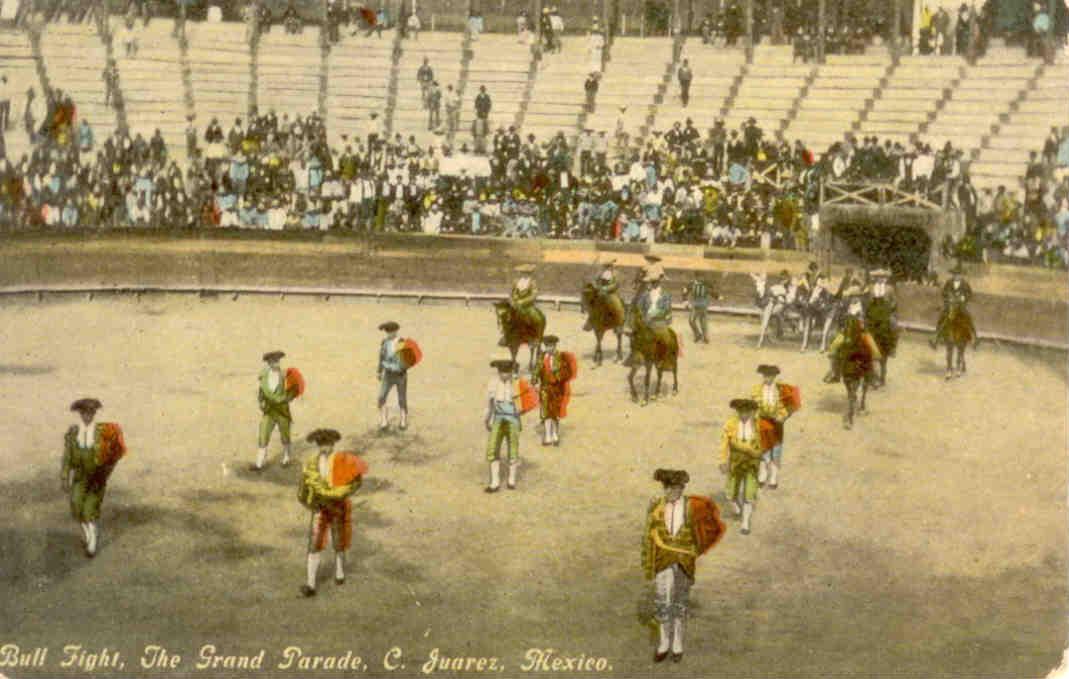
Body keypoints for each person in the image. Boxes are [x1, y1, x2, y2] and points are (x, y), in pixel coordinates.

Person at [641, 468, 725, 663]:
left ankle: (677, 643)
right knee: (663, 602)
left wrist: (697, 548)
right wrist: (648, 563)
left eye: (677, 488)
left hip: (685, 561)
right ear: (665, 488)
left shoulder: (692, 506)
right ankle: (663, 643)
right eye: (669, 488)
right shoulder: (655, 506)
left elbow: (713, 528)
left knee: (680, 602)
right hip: (663, 560)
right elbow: (647, 535)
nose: (673, 492)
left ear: (682, 487)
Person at [297, 428, 367, 597]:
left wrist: (341, 493)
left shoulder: (342, 461)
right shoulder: (311, 463)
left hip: (338, 505)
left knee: (339, 540)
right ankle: (311, 584)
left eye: (327, 445)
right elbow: (304, 487)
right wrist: (310, 503)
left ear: (333, 445)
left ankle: (340, 573)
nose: (324, 448)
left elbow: (356, 481)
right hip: (320, 507)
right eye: (321, 445)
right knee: (314, 543)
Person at [62, 398, 127, 558]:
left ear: (94, 414)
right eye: (84, 413)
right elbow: (67, 457)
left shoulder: (102, 432)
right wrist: (65, 476)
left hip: (96, 477)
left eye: (90, 413)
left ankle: (92, 542)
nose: (87, 416)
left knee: (89, 509)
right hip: (79, 476)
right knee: (77, 507)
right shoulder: (73, 433)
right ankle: (89, 533)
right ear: (80, 414)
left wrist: (106, 471)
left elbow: (115, 452)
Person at [484, 359, 530, 492]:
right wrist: (486, 420)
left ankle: (511, 480)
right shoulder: (493, 384)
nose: (504, 375)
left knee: (513, 448)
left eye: (506, 372)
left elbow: (526, 402)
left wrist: (520, 412)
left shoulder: (517, 384)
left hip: (513, 420)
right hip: (498, 418)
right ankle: (494, 482)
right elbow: (490, 405)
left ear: (511, 372)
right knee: (493, 448)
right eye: (501, 372)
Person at [751, 365, 800, 490]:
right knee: (763, 451)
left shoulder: (780, 389)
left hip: (777, 424)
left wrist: (782, 416)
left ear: (775, 376)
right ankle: (762, 476)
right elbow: (753, 407)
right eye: (766, 376)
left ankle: (773, 478)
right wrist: (755, 419)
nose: (768, 379)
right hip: (762, 423)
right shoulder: (757, 389)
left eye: (770, 376)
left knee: (776, 451)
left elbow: (789, 405)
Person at [719, 398, 763, 535]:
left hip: (751, 463)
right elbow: (724, 444)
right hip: (735, 462)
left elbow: (763, 445)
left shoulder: (758, 425)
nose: (744, 415)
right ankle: (737, 510)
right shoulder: (730, 424)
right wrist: (723, 461)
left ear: (751, 412)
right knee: (730, 494)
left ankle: (745, 523)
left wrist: (758, 456)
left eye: (747, 412)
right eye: (741, 412)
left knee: (749, 494)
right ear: (737, 412)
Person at [252, 350, 300, 471]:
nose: (276, 363)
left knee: (285, 435)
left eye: (278, 361)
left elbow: (294, 389)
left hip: (282, 411)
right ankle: (258, 464)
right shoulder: (263, 376)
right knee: (263, 435)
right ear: (268, 363)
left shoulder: (285, 375)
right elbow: (261, 392)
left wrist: (286, 398)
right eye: (273, 361)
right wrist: (261, 403)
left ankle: (286, 458)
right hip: (269, 411)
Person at [536, 335, 576, 446]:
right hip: (544, 388)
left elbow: (567, 373)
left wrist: (557, 374)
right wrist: (534, 379)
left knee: (555, 413)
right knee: (545, 413)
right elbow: (537, 369)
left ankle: (555, 434)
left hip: (557, 389)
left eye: (552, 346)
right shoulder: (541, 357)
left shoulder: (560, 357)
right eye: (548, 346)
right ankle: (548, 436)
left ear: (555, 346)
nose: (550, 348)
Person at [376, 321, 410, 431]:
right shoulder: (384, 342)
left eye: (390, 331)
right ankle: (384, 421)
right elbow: (381, 357)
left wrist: (400, 368)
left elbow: (407, 360)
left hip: (400, 375)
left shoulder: (401, 342)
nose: (388, 333)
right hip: (388, 375)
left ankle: (403, 420)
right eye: (387, 331)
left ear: (395, 331)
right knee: (381, 397)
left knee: (402, 398)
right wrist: (379, 371)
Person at [681, 274, 715, 343]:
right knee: (691, 321)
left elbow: (712, 292)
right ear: (696, 277)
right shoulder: (691, 284)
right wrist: (685, 302)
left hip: (703, 305)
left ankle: (705, 337)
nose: (700, 278)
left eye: (702, 277)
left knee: (703, 321)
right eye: (699, 277)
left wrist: (717, 296)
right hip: (695, 305)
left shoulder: (706, 284)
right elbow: (684, 292)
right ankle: (698, 334)